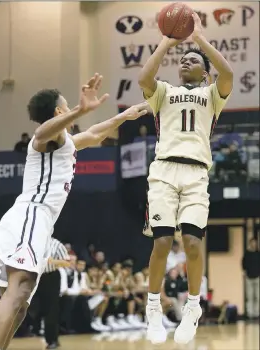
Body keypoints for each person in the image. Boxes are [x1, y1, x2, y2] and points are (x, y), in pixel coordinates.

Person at [0, 72, 149, 350]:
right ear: (59, 111)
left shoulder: (66, 143)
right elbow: (42, 132)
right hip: (30, 215)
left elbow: (95, 133)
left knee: (20, 303)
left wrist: (126, 117)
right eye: (68, 107)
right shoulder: (44, 140)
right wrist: (81, 109)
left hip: (37, 222)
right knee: (20, 289)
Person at [138, 13, 233, 345]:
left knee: (192, 244)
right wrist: (168, 40)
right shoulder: (163, 92)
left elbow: (228, 74)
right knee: (162, 243)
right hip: (164, 170)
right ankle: (152, 307)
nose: (184, 62)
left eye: (191, 60)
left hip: (196, 173)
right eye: (182, 60)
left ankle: (193, 307)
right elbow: (144, 77)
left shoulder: (211, 95)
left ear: (203, 71)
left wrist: (199, 39)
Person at [29, 238, 70, 349]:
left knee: (51, 310)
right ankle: (34, 329)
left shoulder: (57, 244)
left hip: (50, 277)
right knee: (33, 306)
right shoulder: (32, 242)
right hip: (34, 276)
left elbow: (68, 262)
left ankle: (52, 340)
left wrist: (53, 261)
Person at [242, 238, 260, 319]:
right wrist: (244, 273)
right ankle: (250, 314)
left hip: (258, 277)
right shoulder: (247, 254)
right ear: (250, 243)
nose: (254, 244)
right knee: (249, 296)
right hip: (249, 277)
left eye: (255, 243)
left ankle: (257, 313)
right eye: (252, 243)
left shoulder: (258, 253)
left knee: (257, 296)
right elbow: (243, 264)